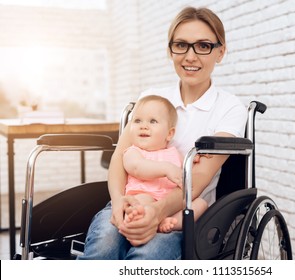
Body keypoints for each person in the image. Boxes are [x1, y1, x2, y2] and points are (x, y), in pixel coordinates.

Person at [78, 6, 247, 260]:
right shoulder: (151, 98)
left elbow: (196, 180)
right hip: (130, 202)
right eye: (181, 45)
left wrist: (157, 212)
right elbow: (121, 157)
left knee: (149, 256)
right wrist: (117, 201)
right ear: (170, 50)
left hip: (183, 215)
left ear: (220, 52)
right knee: (104, 246)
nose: (190, 56)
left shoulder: (230, 108)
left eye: (203, 46)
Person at [122, 95, 208, 233]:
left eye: (153, 121)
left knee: (201, 204)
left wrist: (193, 161)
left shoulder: (174, 153)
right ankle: (141, 224)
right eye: (137, 121)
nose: (144, 126)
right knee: (139, 205)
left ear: (169, 134)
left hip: (171, 203)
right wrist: (166, 168)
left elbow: (181, 171)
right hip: (145, 195)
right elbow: (137, 167)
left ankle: (170, 222)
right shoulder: (133, 152)